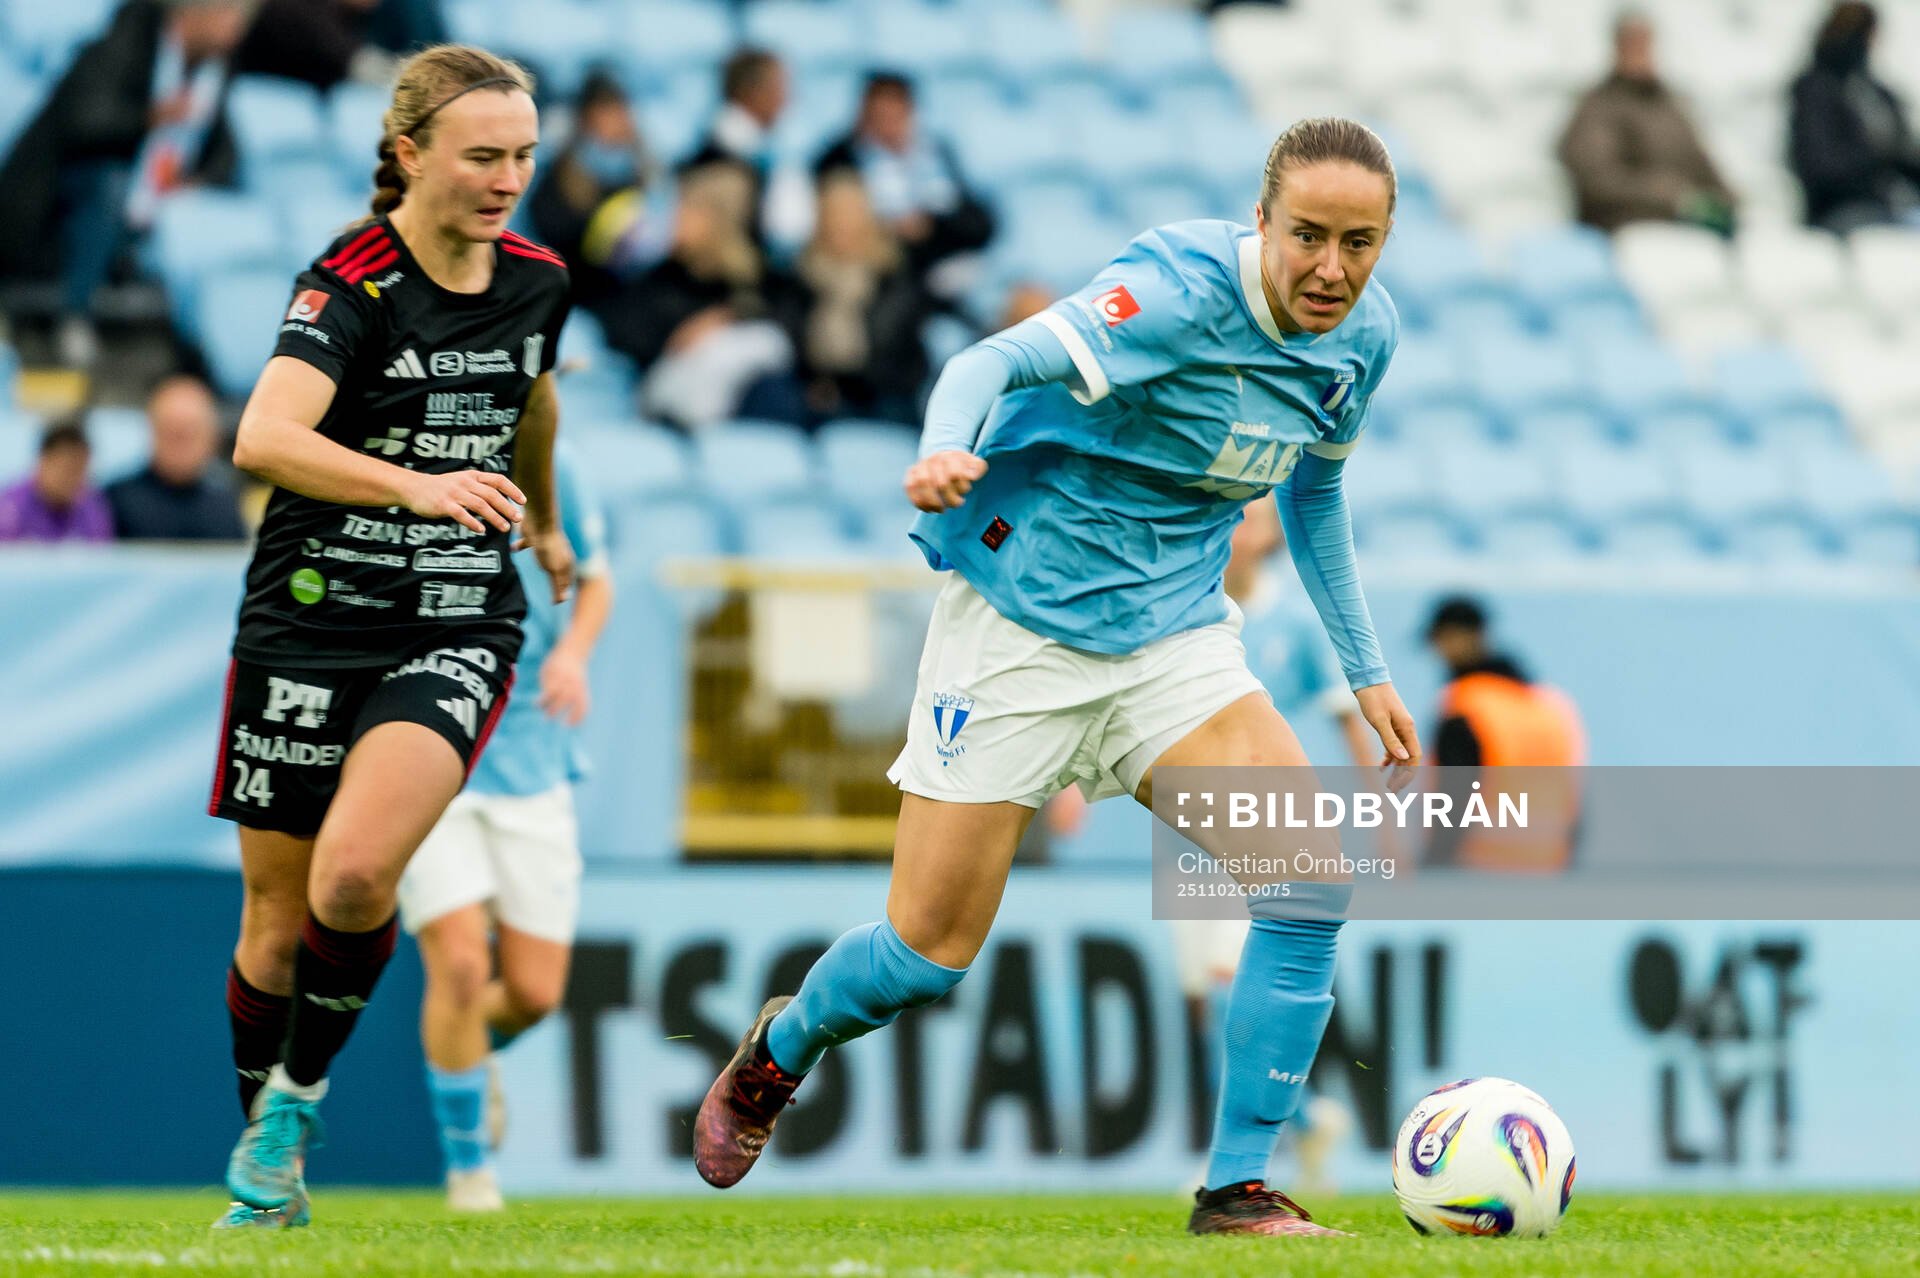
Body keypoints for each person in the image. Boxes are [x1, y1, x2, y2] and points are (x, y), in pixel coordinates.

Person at [693, 117, 1421, 1240]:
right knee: (924, 955)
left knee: (1309, 883)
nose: (1332, 268)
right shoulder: (1177, 290)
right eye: (1310, 236)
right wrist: (941, 447)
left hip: (1174, 642)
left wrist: (1364, 668)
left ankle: (1236, 1189)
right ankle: (780, 1050)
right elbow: (991, 360)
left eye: (1360, 243)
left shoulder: (1362, 340)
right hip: (1020, 631)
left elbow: (1314, 494)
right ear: (1262, 220)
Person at [205, 44, 571, 1231]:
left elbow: (534, 391)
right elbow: (261, 438)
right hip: (309, 624)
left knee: (357, 875)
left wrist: (549, 525)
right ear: (408, 153)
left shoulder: (538, 279)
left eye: (522, 155)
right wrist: (416, 487)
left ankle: (298, 1103)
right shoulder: (347, 284)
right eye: (483, 156)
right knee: (273, 924)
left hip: (458, 622)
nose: (508, 177)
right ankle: (267, 1145)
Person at [394, 443, 611, 1211]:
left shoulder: (555, 469)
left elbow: (595, 582)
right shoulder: (411, 457)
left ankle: (470, 1054)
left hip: (533, 757)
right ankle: (469, 1170)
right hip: (430, 750)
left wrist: (574, 657)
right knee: (455, 965)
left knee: (532, 993)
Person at [0, 0, 255, 368]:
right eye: (230, 15)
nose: (237, 29)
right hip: (54, 203)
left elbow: (226, 151)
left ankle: (194, 351)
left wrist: (194, 181)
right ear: (195, 14)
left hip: (148, 207)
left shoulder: (214, 71)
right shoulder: (123, 43)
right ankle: (74, 314)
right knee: (111, 185)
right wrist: (151, 117)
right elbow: (83, 125)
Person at [1422, 595, 1585, 869]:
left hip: (1479, 866)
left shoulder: (1465, 705)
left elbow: (1454, 795)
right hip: (1546, 867)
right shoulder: (1550, 705)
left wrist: (1433, 865)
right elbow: (1572, 795)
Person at [814, 72, 995, 297]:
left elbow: (977, 221)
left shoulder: (936, 151)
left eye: (894, 114)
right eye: (878, 116)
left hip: (946, 261)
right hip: (885, 274)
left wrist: (929, 224)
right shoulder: (840, 160)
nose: (887, 125)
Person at [1557, 10, 1737, 235]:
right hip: (1623, 226)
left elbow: (1702, 163)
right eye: (1632, 44)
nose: (1640, 54)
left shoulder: (1670, 105)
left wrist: (1727, 200)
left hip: (1685, 225)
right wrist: (1673, 197)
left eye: (1645, 44)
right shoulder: (1598, 107)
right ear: (1616, 48)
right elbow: (1599, 180)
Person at [793, 172, 931, 424]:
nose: (841, 225)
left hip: (884, 395)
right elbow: (794, 342)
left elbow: (899, 351)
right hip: (822, 395)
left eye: (849, 216)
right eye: (833, 216)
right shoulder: (803, 278)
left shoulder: (893, 276)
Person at [526, 71, 660, 313]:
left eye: (622, 110)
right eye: (607, 112)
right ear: (585, 119)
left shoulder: (643, 171)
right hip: (584, 298)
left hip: (638, 293)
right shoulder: (555, 185)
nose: (620, 121)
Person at [1788, 1, 1920, 233]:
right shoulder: (1817, 89)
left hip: (1892, 205)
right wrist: (1879, 160)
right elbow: (1820, 165)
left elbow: (1904, 155)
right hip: (1842, 210)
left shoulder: (1877, 92)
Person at [105, 373, 246, 540]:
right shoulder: (115, 503)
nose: (180, 446)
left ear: (213, 438)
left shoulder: (225, 506)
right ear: (152, 431)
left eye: (189, 434)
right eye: (171, 433)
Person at [0, 419, 114, 543]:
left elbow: (101, 556)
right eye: (68, 470)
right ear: (43, 462)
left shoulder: (92, 511)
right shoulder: (10, 509)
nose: (75, 480)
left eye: (81, 471)